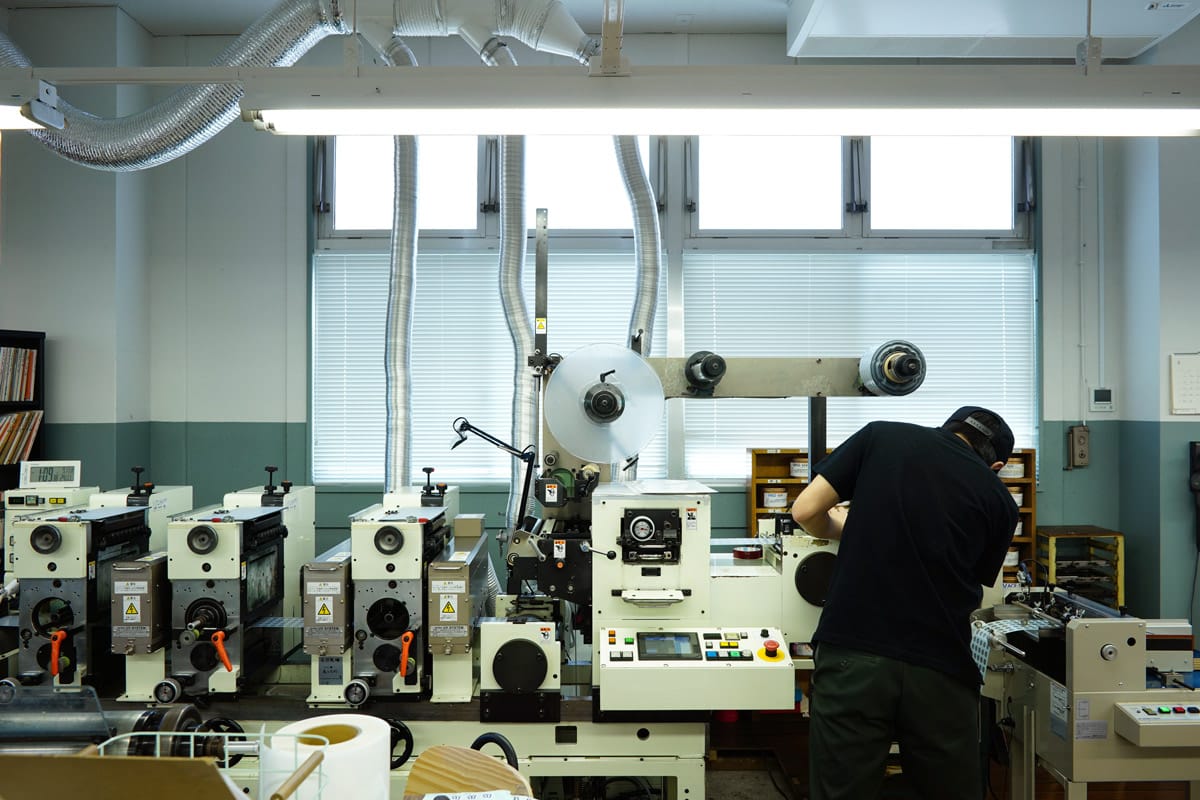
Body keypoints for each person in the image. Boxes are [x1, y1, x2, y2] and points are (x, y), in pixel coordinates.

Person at [790, 406, 1018, 800]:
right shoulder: (1001, 500)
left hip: (854, 657)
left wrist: (842, 527)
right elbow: (973, 574)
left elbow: (805, 511)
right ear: (995, 464)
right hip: (940, 668)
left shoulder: (883, 436)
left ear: (947, 428)